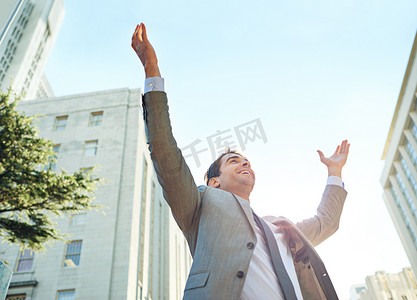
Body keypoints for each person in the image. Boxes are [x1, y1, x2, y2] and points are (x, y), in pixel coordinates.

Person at [131, 23, 350, 300]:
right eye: (234, 161)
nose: (245, 164)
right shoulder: (199, 207)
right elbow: (166, 155)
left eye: (247, 161)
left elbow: (326, 222)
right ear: (214, 182)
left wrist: (334, 172)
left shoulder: (281, 230)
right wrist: (152, 71)